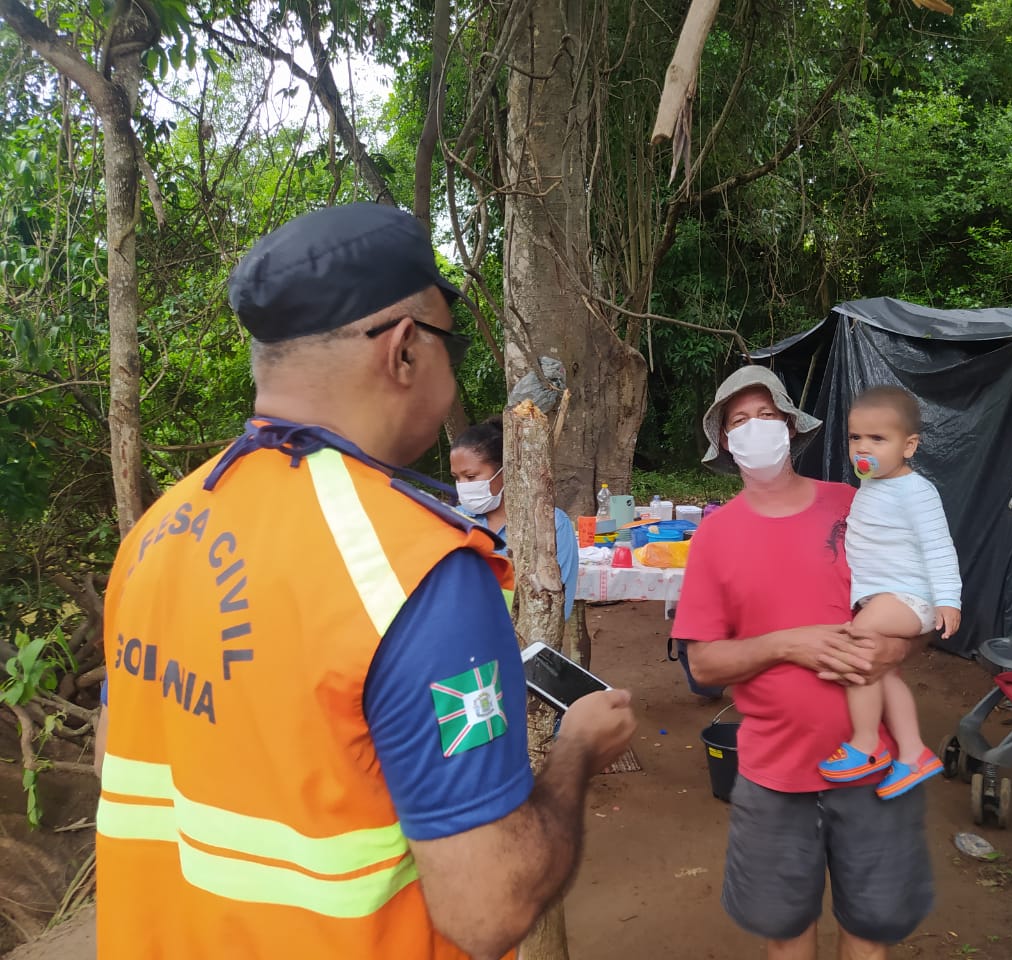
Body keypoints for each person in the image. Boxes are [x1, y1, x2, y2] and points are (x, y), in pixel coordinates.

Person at [94, 202, 636, 960]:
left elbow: (121, 755)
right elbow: (489, 907)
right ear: (406, 350)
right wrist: (577, 752)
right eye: (448, 343)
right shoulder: (418, 568)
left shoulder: (157, 534)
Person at [672, 365, 934, 960]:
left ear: (791, 428)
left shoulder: (858, 508)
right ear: (725, 442)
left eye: (767, 416)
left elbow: (915, 606)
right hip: (773, 773)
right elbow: (705, 665)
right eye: (740, 421)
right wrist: (790, 643)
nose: (755, 429)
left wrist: (895, 648)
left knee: (870, 930)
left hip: (876, 768)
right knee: (786, 932)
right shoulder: (716, 537)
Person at [817, 386, 961, 798]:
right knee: (885, 671)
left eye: (878, 439)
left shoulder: (917, 492)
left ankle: (866, 745)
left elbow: (939, 547)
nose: (863, 447)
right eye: (855, 437)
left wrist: (948, 599)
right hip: (885, 596)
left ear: (909, 446)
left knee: (856, 645)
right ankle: (913, 754)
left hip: (908, 598)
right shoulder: (873, 485)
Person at [449, 415, 578, 620]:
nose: (463, 485)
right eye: (456, 478)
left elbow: (559, 607)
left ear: (505, 470)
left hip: (527, 642)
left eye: (471, 476)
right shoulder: (455, 522)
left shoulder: (551, 524)